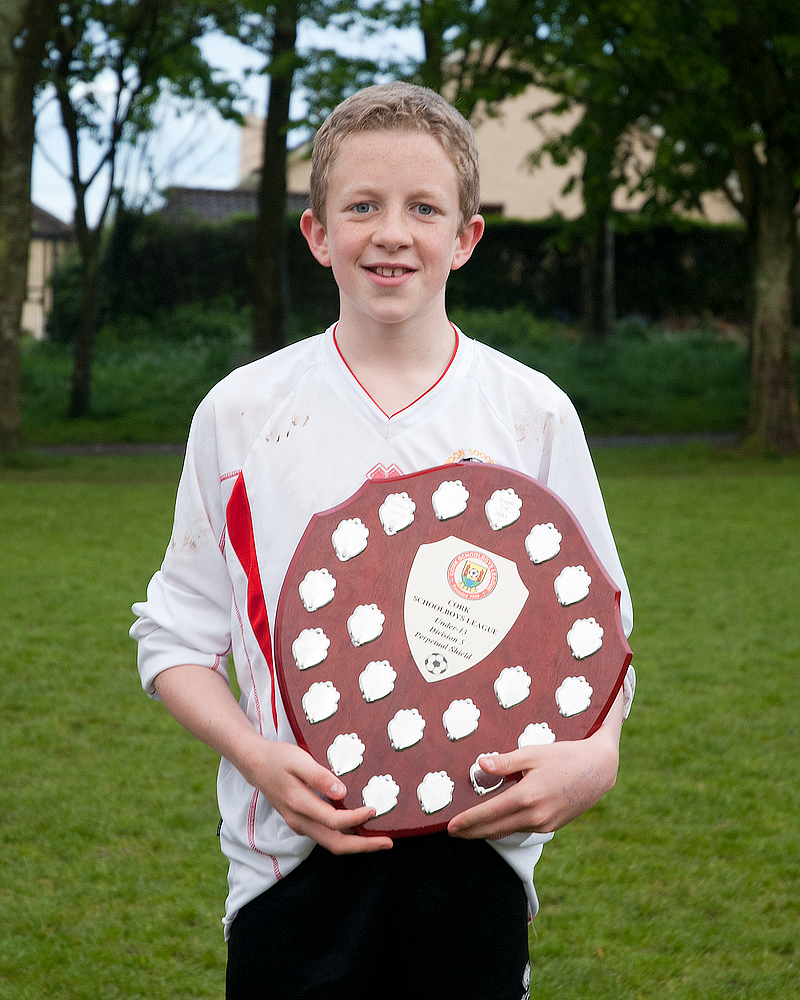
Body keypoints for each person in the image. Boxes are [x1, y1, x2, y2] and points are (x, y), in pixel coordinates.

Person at [131, 81, 635, 1000]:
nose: (391, 233)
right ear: (318, 234)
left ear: (466, 237)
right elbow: (175, 638)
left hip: (478, 862)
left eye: (423, 208)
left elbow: (603, 638)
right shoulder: (243, 415)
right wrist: (257, 759)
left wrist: (596, 757)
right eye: (361, 206)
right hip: (290, 867)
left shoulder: (531, 416)